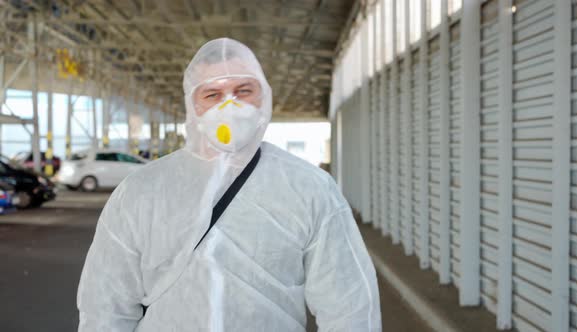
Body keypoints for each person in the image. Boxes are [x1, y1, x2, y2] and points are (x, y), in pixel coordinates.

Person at [77, 38, 381, 331]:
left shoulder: (310, 187)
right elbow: (106, 304)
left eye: (243, 91)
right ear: (193, 105)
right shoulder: (141, 190)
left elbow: (349, 306)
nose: (229, 106)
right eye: (212, 95)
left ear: (264, 98)